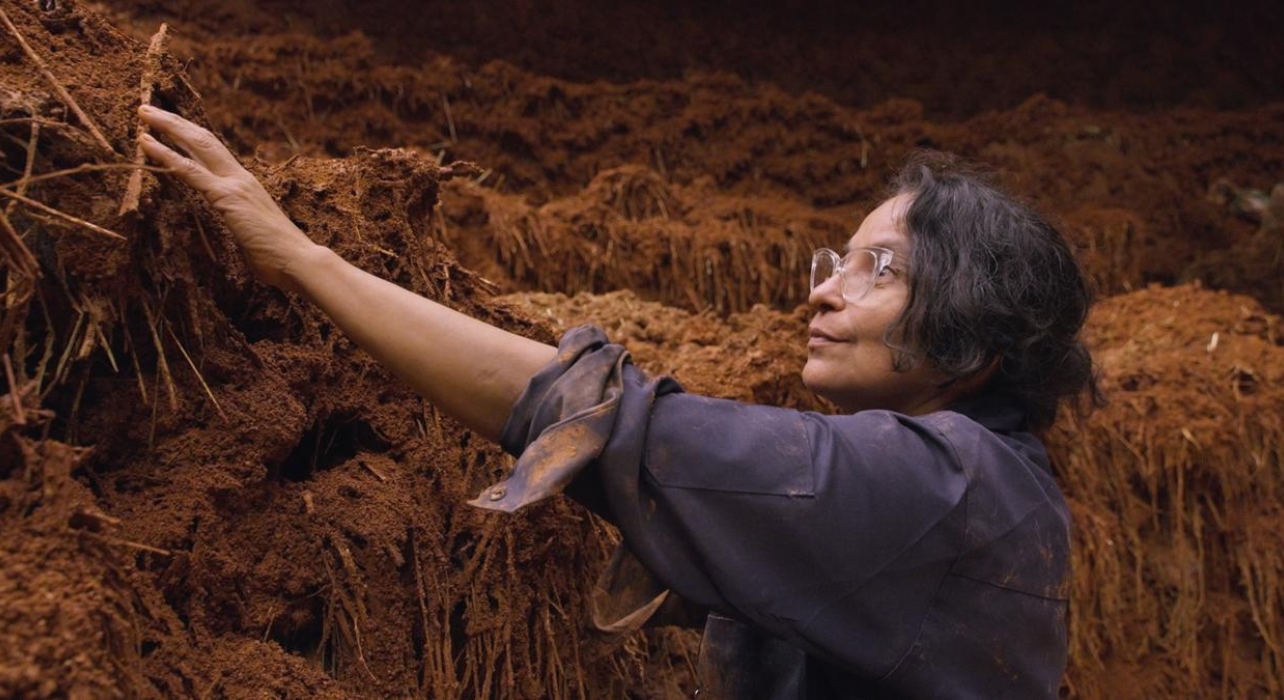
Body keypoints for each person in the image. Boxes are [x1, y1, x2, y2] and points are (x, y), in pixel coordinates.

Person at [137, 104, 1101, 699]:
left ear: (978, 332)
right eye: (833, 262)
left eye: (878, 270)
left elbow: (609, 418)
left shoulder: (943, 482)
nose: (824, 290)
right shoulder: (994, 486)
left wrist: (300, 257)